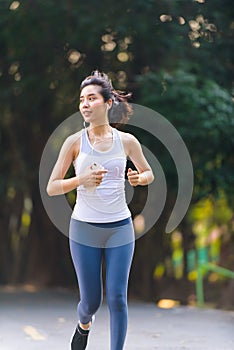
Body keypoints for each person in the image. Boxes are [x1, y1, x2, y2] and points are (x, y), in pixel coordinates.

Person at [46, 70, 154, 350]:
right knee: (91, 301)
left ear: (107, 104)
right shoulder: (74, 142)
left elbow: (148, 173)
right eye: (81, 99)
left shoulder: (126, 141)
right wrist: (80, 180)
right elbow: (52, 187)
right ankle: (84, 324)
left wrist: (139, 179)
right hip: (84, 228)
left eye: (91, 98)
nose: (84, 104)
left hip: (120, 227)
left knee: (118, 298)